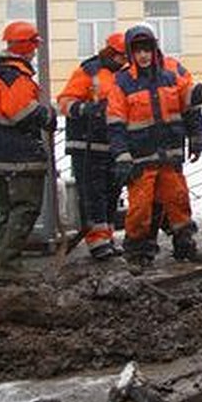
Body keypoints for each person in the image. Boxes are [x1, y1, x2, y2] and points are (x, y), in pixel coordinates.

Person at [106, 24, 202, 272]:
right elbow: (115, 124)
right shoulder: (122, 82)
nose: (143, 55)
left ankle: (184, 245)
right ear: (131, 53)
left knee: (178, 202)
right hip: (141, 158)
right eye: (138, 51)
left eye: (147, 50)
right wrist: (122, 156)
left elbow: (190, 99)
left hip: (168, 155)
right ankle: (137, 254)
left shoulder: (169, 76)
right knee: (140, 209)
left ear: (154, 50)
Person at [0, 21, 56, 284]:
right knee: (24, 208)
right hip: (18, 153)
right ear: (27, 46)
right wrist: (47, 115)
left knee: (7, 210)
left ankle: (6, 263)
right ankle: (10, 267)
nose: (35, 51)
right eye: (34, 45)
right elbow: (22, 114)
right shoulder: (16, 77)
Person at [58, 31, 128, 260]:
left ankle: (105, 237)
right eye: (121, 56)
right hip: (86, 145)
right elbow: (65, 101)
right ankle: (97, 241)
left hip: (110, 144)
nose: (124, 60)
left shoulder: (124, 75)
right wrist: (87, 110)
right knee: (94, 193)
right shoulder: (89, 71)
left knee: (110, 193)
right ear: (111, 53)